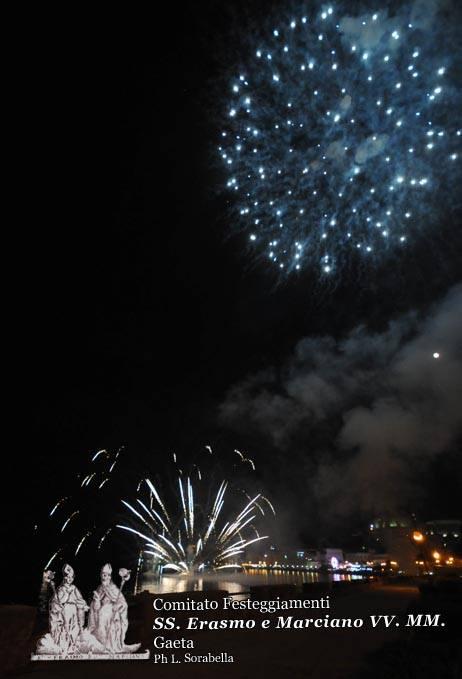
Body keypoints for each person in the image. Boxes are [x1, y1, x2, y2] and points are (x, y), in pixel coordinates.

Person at [36, 564, 88, 655]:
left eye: (71, 577)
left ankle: (73, 646)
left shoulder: (74, 588)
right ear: (64, 578)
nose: (69, 579)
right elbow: (58, 601)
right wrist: (66, 594)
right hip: (65, 610)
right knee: (66, 628)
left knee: (75, 627)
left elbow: (79, 599)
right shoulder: (61, 589)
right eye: (68, 577)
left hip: (73, 611)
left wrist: (83, 605)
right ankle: (66, 647)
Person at [88, 563, 140, 653]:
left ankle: (111, 646)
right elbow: (95, 607)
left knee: (108, 619)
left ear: (109, 576)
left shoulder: (114, 588)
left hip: (112, 613)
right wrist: (96, 601)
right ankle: (102, 644)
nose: (105, 577)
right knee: (101, 617)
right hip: (101, 613)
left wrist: (118, 606)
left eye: (107, 575)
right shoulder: (99, 588)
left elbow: (123, 603)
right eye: (103, 575)